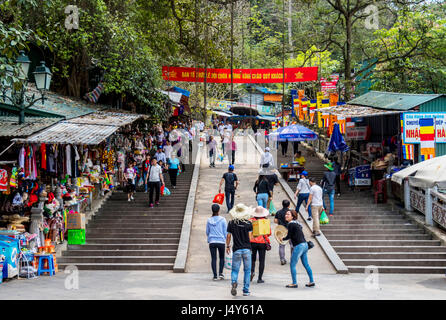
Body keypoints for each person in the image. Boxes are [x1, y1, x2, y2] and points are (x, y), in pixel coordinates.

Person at [281, 210, 315, 288]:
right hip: (305, 245)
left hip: (299, 246)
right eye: (286, 214)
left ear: (292, 216)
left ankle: (294, 283)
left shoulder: (290, 224)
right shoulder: (298, 224)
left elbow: (288, 236)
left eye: (288, 214)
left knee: (292, 264)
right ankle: (311, 281)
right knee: (306, 264)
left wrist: (282, 239)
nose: (286, 215)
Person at [226, 204, 254, 297]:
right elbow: (250, 238)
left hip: (236, 249)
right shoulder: (249, 223)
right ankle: (246, 290)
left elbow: (229, 236)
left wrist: (227, 246)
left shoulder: (231, 223)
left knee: (235, 270)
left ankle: (234, 282)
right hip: (247, 249)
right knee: (247, 270)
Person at [249, 206, 271, 284]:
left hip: (252, 242)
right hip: (262, 243)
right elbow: (268, 233)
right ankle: (260, 278)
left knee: (252, 259)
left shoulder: (250, 221)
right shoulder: (265, 221)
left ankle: (252, 272)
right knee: (262, 260)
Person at [206, 204, 228, 281]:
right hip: (221, 241)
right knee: (221, 257)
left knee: (213, 258)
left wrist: (210, 238)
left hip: (212, 241)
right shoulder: (223, 219)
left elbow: (207, 231)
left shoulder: (209, 220)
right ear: (219, 210)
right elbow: (225, 232)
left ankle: (215, 275)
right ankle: (221, 273)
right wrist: (226, 241)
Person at [274, 200, 293, 265]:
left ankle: (282, 259)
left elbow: (275, 220)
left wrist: (280, 222)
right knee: (292, 245)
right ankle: (293, 259)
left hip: (281, 230)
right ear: (289, 205)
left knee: (281, 245)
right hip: (290, 229)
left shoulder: (278, 212)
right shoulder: (290, 212)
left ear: (282, 205)